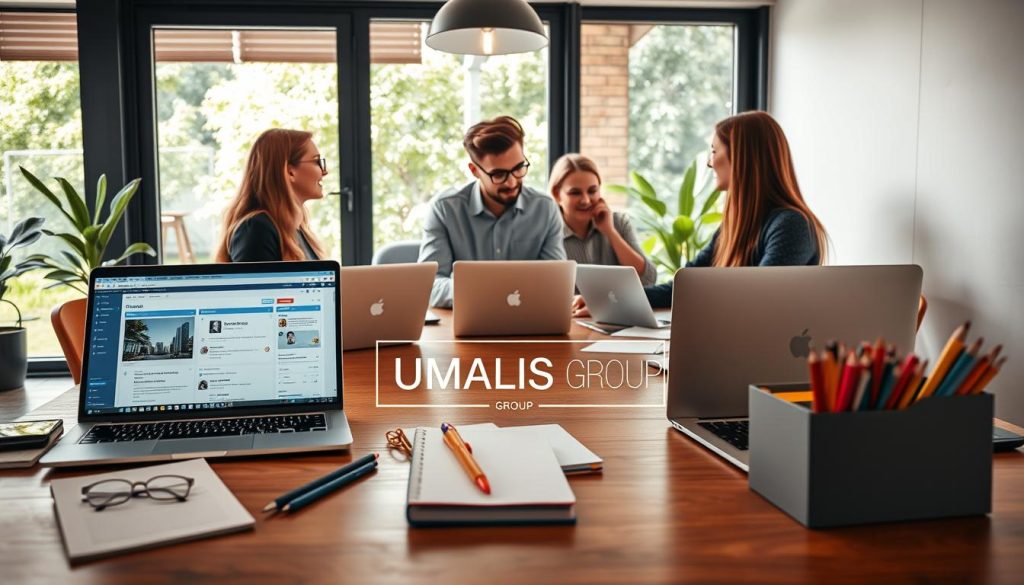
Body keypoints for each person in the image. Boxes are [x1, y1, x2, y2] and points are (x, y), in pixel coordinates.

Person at [572, 111, 828, 316]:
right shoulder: (735, 226)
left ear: (741, 158)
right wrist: (606, 300)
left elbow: (758, 300)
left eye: (715, 151)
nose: (709, 162)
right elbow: (685, 286)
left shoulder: (791, 225)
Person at [418, 116, 566, 308]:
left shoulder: (545, 209)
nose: (512, 182)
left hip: (529, 321)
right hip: (468, 324)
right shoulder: (445, 210)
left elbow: (556, 283)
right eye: (499, 174)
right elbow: (429, 286)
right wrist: (487, 293)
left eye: (518, 168)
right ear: (474, 170)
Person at [215, 129, 327, 262]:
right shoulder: (256, 229)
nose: (324, 171)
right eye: (317, 161)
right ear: (290, 172)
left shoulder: (296, 229)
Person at [549, 154, 656, 286]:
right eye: (575, 193)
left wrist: (610, 232)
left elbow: (648, 279)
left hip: (616, 307)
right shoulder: (547, 232)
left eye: (592, 191)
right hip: (569, 307)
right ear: (556, 194)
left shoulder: (618, 222)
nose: (586, 200)